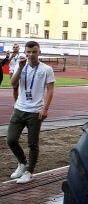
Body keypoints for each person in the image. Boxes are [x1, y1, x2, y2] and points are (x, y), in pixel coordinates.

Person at [7, 41, 56, 184]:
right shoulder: (21, 65)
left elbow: (50, 90)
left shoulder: (46, 69)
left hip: (36, 111)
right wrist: (20, 68)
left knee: (32, 144)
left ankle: (29, 171)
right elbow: (13, 84)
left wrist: (45, 108)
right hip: (19, 108)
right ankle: (22, 163)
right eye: (28, 52)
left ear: (39, 52)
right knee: (11, 139)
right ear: (25, 52)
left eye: (34, 52)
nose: (31, 55)